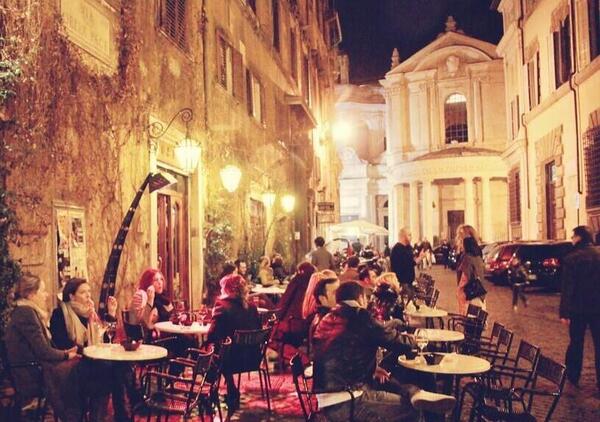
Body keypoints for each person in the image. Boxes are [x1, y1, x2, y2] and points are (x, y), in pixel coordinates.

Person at [312, 281, 455, 421]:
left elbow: (343, 353)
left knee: (388, 380)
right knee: (410, 409)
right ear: (360, 298)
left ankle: (415, 392)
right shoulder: (358, 315)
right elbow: (392, 340)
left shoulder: (327, 318)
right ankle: (416, 394)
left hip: (327, 398)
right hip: (349, 400)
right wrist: (416, 341)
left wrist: (374, 368)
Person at [50, 279, 132, 421]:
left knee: (119, 366)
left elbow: (105, 340)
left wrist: (111, 313)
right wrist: (86, 351)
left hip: (92, 362)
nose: (88, 295)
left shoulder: (90, 314)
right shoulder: (60, 314)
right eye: (83, 292)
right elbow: (61, 341)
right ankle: (123, 412)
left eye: (89, 291)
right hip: (73, 365)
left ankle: (116, 414)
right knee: (110, 372)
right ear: (71, 296)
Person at [4, 273, 81, 421]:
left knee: (77, 366)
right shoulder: (26, 313)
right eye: (43, 291)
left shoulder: (24, 311)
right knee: (78, 370)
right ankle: (72, 416)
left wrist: (64, 352)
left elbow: (42, 348)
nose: (46, 295)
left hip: (33, 367)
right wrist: (66, 355)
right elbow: (43, 351)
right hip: (31, 373)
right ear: (31, 295)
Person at [207, 274, 261, 411]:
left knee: (209, 355)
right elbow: (258, 330)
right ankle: (229, 389)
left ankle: (210, 392)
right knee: (222, 351)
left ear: (227, 289)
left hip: (231, 360)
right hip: (253, 359)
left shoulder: (222, 306)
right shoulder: (252, 307)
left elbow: (212, 335)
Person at [560, 226, 600, 391]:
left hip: (578, 308)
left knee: (576, 342)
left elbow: (568, 288)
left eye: (573, 236)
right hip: (597, 308)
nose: (571, 239)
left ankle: (573, 375)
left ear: (579, 237)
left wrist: (564, 312)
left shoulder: (572, 258)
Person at [129, 268, 174, 333]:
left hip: (167, 333)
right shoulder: (140, 295)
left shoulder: (162, 297)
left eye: (161, 279)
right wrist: (150, 301)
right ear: (148, 282)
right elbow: (143, 324)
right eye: (155, 280)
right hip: (150, 337)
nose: (160, 282)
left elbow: (170, 316)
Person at [457, 237, 486, 315]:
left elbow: (464, 278)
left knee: (470, 322)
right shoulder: (479, 258)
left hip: (470, 296)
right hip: (480, 293)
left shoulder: (467, 259)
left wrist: (459, 291)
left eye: (463, 244)